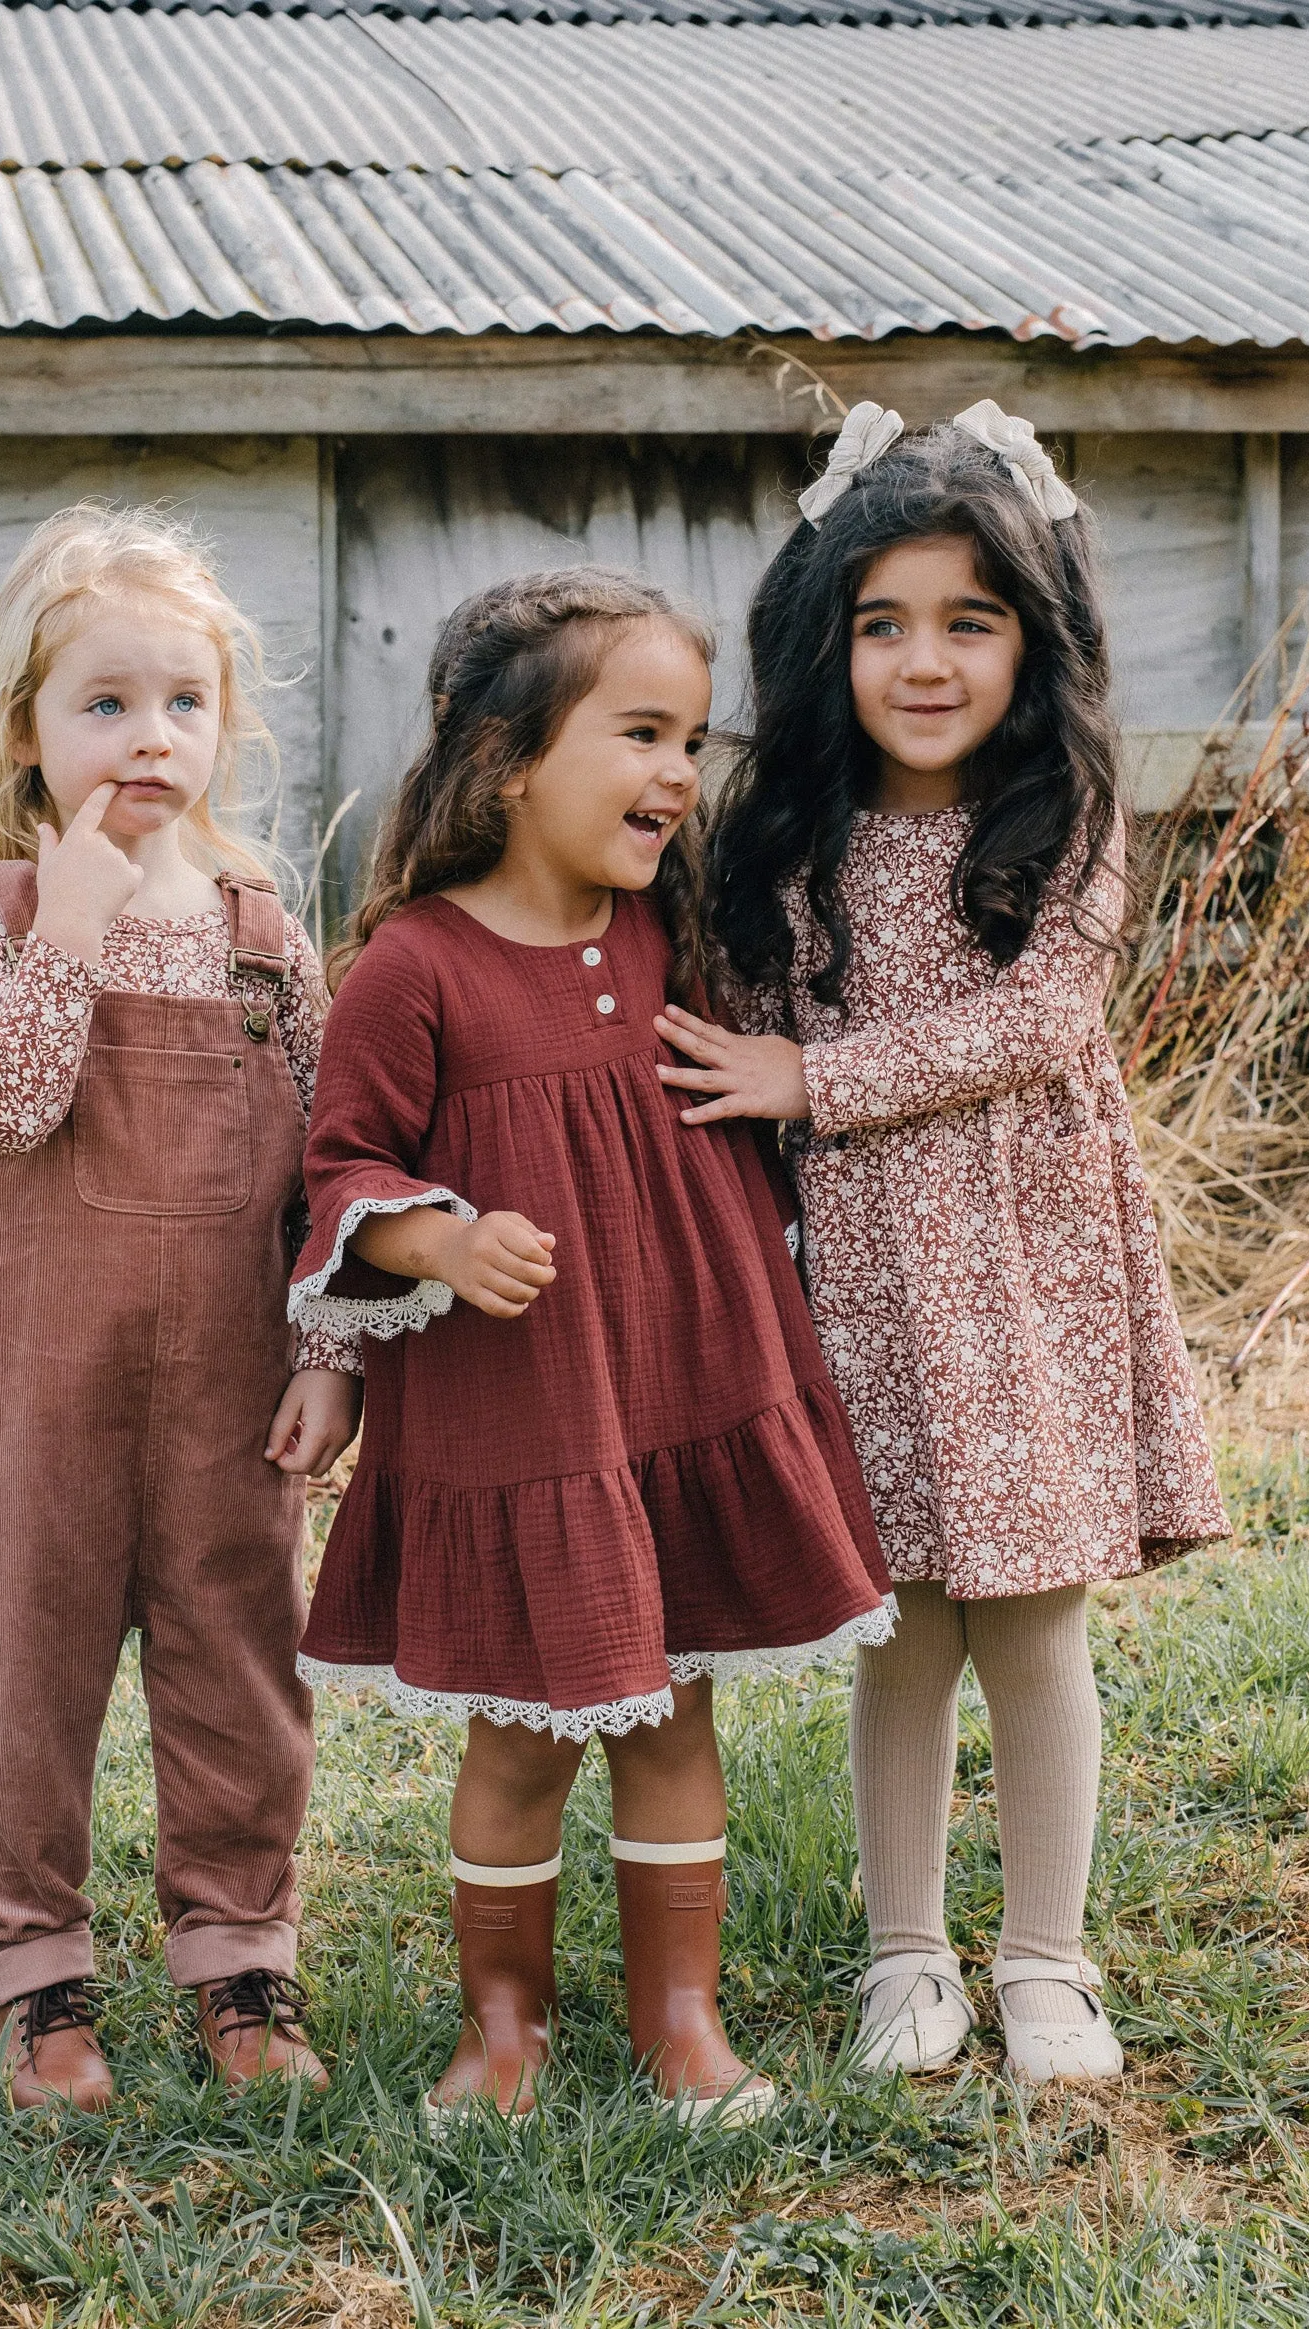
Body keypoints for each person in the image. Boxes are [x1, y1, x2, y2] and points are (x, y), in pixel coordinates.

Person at [658, 403, 1229, 2085]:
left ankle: (1046, 1959)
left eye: (968, 622)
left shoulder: (1066, 817)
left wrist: (812, 1076)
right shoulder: (778, 842)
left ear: (1030, 642)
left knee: (1032, 1615)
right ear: (823, 638)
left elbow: (1042, 1023)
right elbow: (726, 1044)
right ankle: (905, 1955)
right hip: (856, 1279)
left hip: (1026, 1268)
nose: (923, 661)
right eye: (881, 622)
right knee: (899, 1616)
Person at [289, 566, 893, 2127]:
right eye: (639, 735)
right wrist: (439, 1237)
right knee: (521, 1730)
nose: (677, 776)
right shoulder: (414, 966)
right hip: (527, 1420)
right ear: (507, 762)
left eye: (691, 740)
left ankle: (679, 2025)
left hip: (679, 1386)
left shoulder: (660, 934)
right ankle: (505, 2030)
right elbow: (342, 1165)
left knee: (679, 1703)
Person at [0, 503, 362, 2112]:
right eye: (101, 705)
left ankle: (239, 1954)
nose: (145, 737)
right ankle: (36, 1974)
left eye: (181, 703)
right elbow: (17, 1104)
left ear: (224, 727)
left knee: (241, 1659)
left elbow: (332, 1177)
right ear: (29, 736)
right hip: (43, 1387)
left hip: (228, 1387)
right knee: (22, 1663)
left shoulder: (265, 948)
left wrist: (331, 1354)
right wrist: (82, 919)